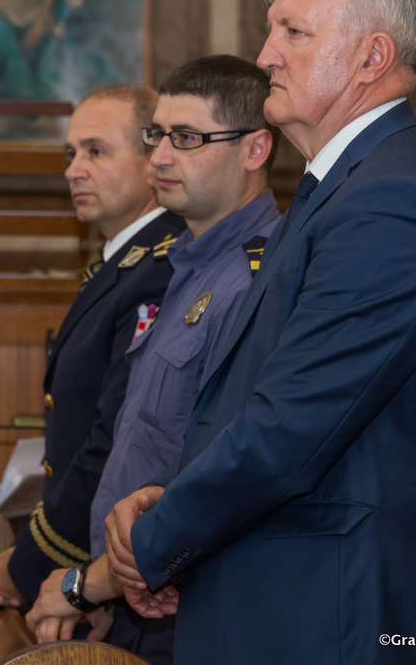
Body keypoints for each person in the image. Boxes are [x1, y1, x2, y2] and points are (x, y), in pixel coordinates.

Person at [104, 0, 416, 665]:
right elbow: (253, 397)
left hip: (349, 618)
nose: (266, 55)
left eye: (293, 32)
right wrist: (166, 494)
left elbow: (292, 428)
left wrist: (156, 541)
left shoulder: (393, 200)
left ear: (372, 58)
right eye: (271, 30)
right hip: (303, 604)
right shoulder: (342, 189)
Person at [25, 54, 281, 664]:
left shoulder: (256, 282)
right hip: (138, 592)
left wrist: (87, 585)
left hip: (189, 603)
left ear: (255, 149)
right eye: (156, 135)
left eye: (186, 138)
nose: (160, 157)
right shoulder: (188, 264)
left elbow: (220, 472)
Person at [0, 83, 186, 607]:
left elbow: (114, 437)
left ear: (152, 161)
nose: (73, 170)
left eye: (95, 151)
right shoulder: (126, 262)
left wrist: (32, 568)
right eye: (70, 154)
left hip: (124, 561)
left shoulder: (162, 267)